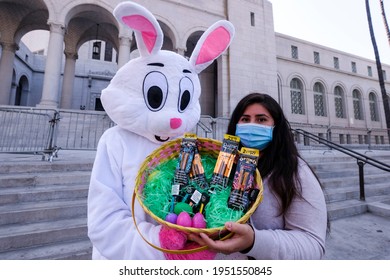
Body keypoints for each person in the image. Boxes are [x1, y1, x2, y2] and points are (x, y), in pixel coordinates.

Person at [189, 92, 328, 259]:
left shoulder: (295, 172)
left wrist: (254, 242)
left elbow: (313, 246)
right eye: (245, 119)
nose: (252, 125)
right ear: (236, 125)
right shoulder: (224, 165)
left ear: (276, 127)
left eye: (261, 119)